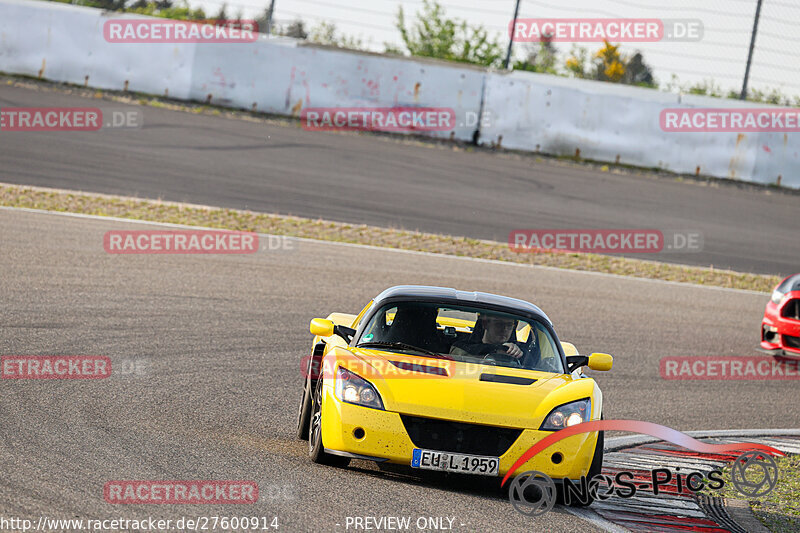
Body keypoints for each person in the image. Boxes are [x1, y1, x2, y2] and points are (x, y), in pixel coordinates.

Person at [449, 313, 524, 359]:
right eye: (498, 324)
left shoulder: (516, 352)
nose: (504, 329)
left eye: (509, 325)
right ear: (485, 324)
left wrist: (516, 353)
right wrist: (497, 349)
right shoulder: (461, 349)